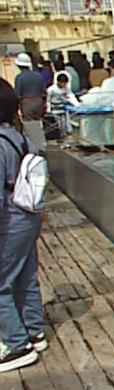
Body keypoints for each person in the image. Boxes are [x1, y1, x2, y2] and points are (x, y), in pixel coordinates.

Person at [0, 78, 46, 373]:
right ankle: (34, 331)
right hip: (28, 216)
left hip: (10, 220)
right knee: (25, 276)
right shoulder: (17, 136)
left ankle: (17, 345)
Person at [14, 53, 45, 122]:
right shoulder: (39, 76)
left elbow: (17, 95)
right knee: (38, 123)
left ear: (19, 66)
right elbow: (44, 91)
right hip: (39, 102)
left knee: (29, 125)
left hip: (26, 103)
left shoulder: (19, 77)